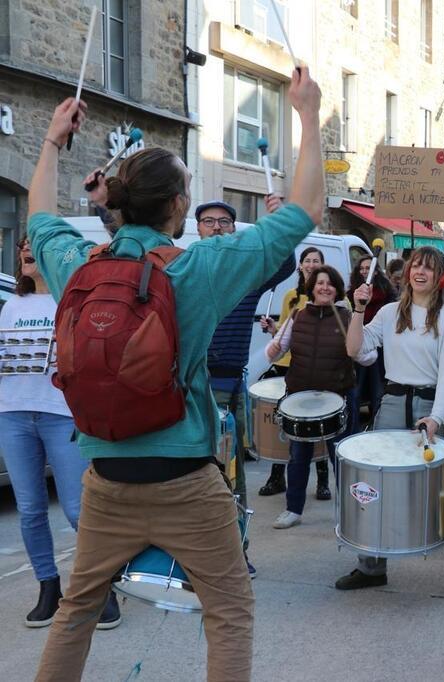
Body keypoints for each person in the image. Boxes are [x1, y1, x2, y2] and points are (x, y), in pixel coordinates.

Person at [26, 67, 324, 681]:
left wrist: (53, 142)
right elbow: (306, 210)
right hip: (186, 482)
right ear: (180, 206)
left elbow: (36, 217)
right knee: (229, 608)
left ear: (113, 199)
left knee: (77, 610)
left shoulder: (78, 269)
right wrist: (308, 116)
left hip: (104, 479)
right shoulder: (199, 268)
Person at [337, 247, 444, 601]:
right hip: (393, 403)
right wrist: (357, 309)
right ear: (407, 272)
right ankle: (372, 566)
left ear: (440, 276)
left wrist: (437, 417)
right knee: (376, 480)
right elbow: (356, 350)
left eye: (429, 268)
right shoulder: (386, 313)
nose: (421, 273)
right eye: (416, 266)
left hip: (430, 406)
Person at [0, 239, 115, 629]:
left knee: (77, 509)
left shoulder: (71, 299)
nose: (25, 253)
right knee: (30, 509)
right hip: (12, 415)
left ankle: (102, 589)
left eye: (33, 247)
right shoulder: (11, 305)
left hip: (60, 415)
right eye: (21, 248)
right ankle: (48, 587)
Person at [192, 196, 295, 579]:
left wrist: (280, 221)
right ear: (198, 229)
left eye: (224, 221)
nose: (216, 226)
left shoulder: (245, 275)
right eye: (208, 221)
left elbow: (285, 263)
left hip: (229, 390)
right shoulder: (186, 267)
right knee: (190, 477)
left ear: (234, 230)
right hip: (190, 390)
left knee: (230, 477)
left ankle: (237, 552)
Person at [265, 266, 366, 528]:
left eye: (330, 284)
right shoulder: (297, 316)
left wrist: (361, 352)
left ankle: (349, 514)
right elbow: (274, 353)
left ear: (337, 288)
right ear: (312, 287)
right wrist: (274, 347)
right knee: (298, 456)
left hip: (338, 397)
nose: (324, 288)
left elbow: (366, 356)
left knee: (341, 458)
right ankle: (293, 510)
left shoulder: (347, 317)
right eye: (320, 283)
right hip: (300, 398)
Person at [257, 246, 327, 498]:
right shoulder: (291, 297)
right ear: (300, 266)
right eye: (306, 260)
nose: (310, 264)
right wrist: (273, 328)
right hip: (288, 368)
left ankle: (322, 481)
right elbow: (284, 336)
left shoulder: (327, 293)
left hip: (314, 370)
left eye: (315, 261)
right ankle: (277, 478)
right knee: (286, 425)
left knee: (318, 424)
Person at [347, 252, 397, 425]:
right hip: (360, 347)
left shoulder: (388, 294)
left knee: (378, 391)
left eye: (368, 268)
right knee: (356, 391)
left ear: (376, 271)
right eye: (361, 268)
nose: (364, 271)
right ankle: (354, 427)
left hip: (380, 351)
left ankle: (378, 425)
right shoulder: (351, 293)